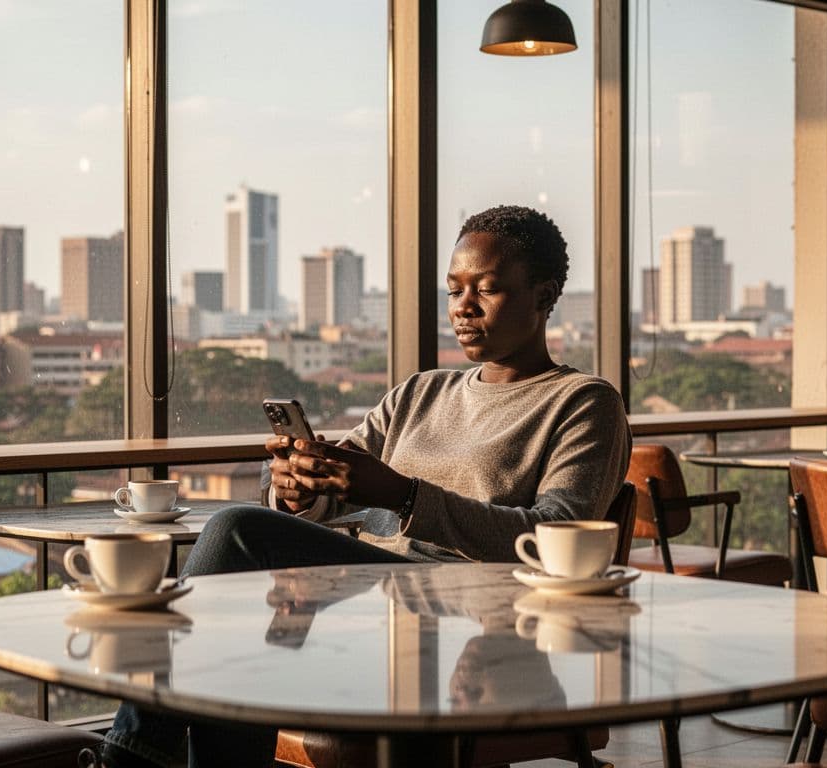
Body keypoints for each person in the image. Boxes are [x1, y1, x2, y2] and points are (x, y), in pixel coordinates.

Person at [97, 205, 630, 768]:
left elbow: (558, 540)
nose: (463, 308)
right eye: (454, 291)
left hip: (475, 623)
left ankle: (129, 757)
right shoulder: (420, 393)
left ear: (545, 297)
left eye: (488, 290)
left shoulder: (583, 403)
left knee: (235, 533)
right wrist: (299, 490)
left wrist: (403, 496)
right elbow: (343, 485)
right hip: (364, 604)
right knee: (231, 638)